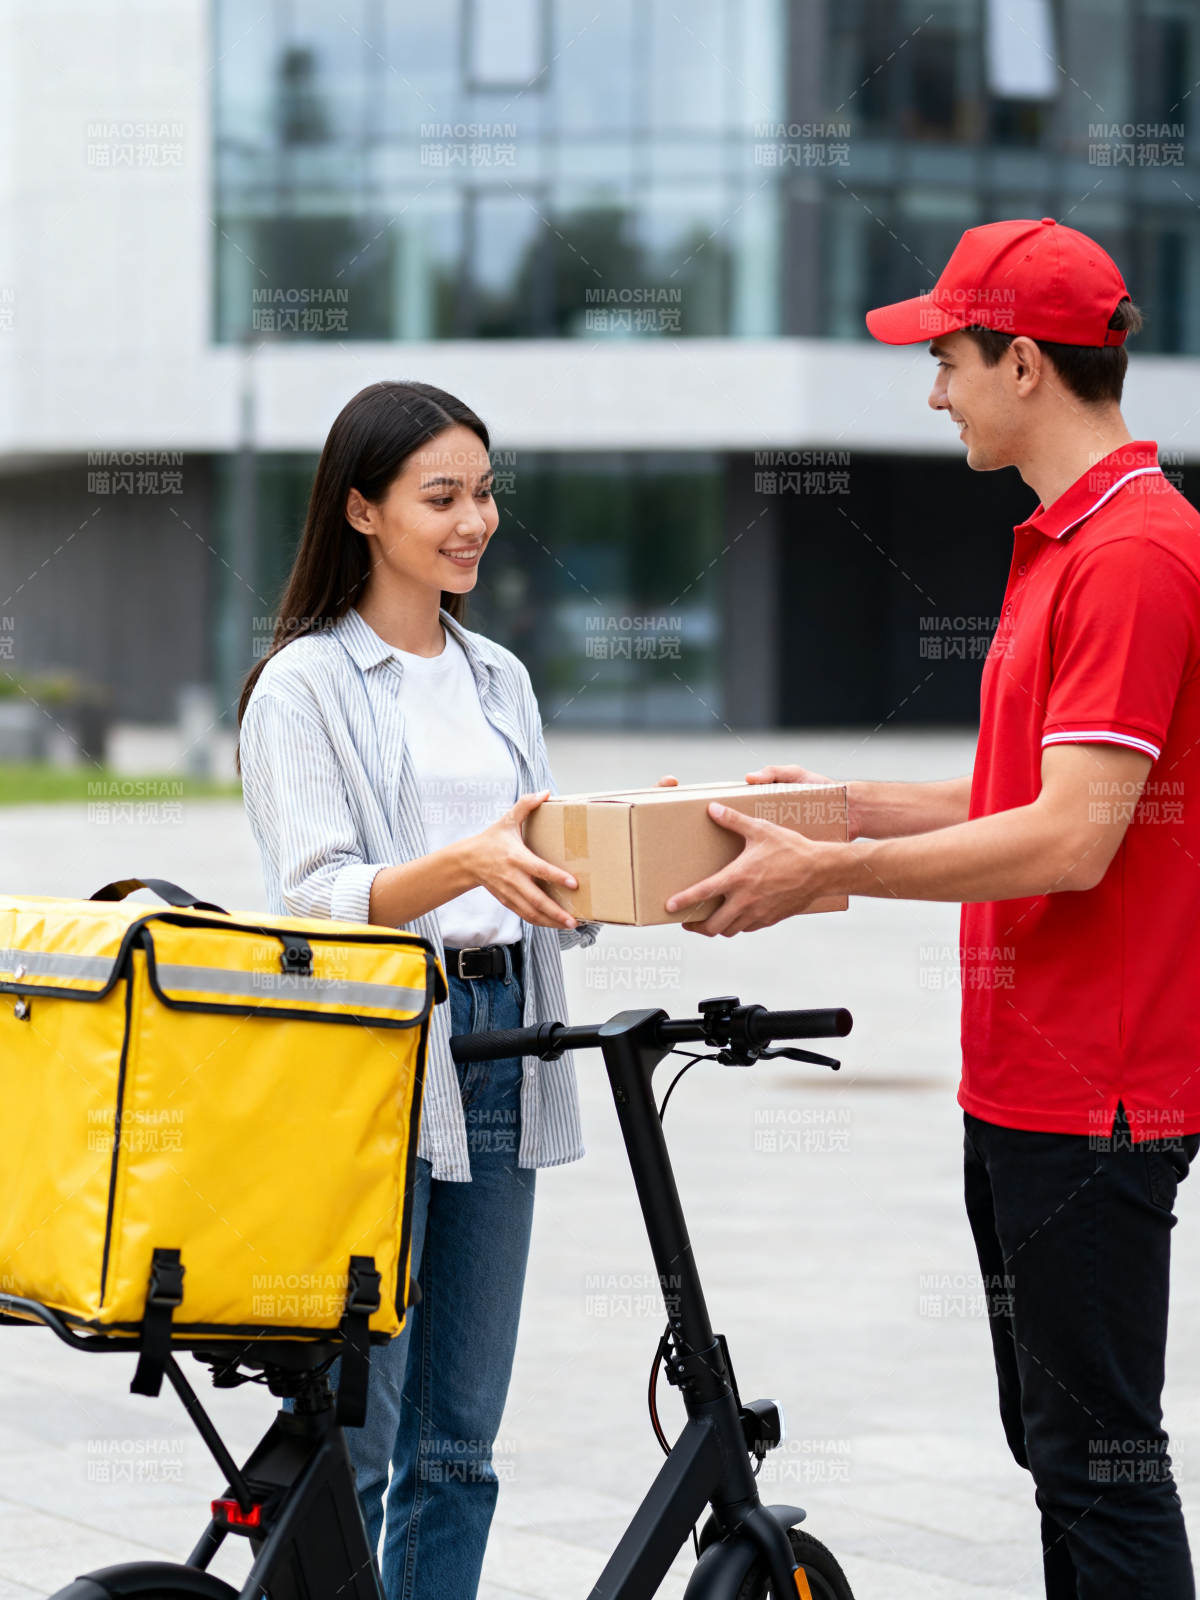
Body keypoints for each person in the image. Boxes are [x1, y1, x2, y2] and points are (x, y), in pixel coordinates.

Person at [663, 219, 1200, 1597]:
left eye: (948, 359)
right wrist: (836, 807)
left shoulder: (1135, 553)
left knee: (1102, 1465)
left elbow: (1073, 840)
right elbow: (1024, 793)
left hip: (1096, 1090)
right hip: (1024, 1082)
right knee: (1060, 1451)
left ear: (1025, 363)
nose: (934, 391)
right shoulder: (1071, 541)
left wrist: (824, 875)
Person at [235, 379, 600, 1600]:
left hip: (507, 1038)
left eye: (485, 494)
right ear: (362, 510)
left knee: (460, 1444)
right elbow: (313, 897)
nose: (474, 521)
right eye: (441, 497)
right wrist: (467, 864)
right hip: (380, 1059)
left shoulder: (500, 678)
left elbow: (537, 870)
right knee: (356, 1433)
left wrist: (626, 862)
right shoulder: (303, 685)